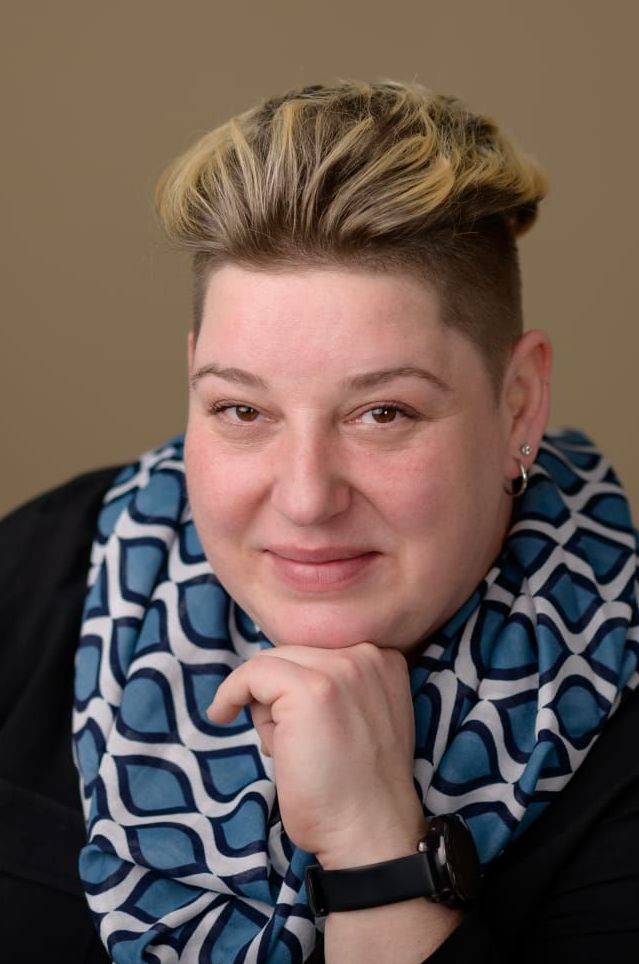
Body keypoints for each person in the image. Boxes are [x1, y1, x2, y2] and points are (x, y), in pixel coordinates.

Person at [1, 81, 638, 964]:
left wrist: (377, 852)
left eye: (382, 413)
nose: (305, 498)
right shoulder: (38, 575)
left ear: (518, 404)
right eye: (241, 410)